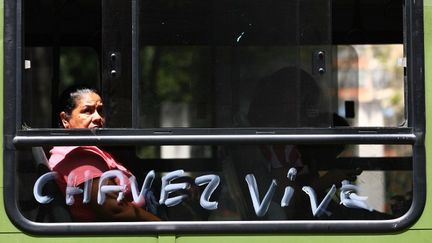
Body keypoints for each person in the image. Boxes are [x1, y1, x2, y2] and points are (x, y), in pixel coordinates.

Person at [47, 86, 160, 222]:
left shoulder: (85, 148)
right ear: (65, 119)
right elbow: (115, 210)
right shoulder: (81, 157)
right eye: (87, 111)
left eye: (100, 111)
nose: (98, 118)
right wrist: (162, 225)